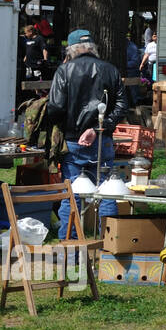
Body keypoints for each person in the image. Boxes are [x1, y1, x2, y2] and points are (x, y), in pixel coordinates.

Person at [47, 29, 129, 238]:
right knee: (107, 193)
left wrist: (68, 125)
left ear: (71, 50)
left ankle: (71, 245)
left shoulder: (64, 70)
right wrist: (99, 127)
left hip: (73, 141)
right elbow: (122, 106)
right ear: (92, 47)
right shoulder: (110, 69)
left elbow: (55, 108)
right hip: (102, 138)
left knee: (71, 195)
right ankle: (109, 244)